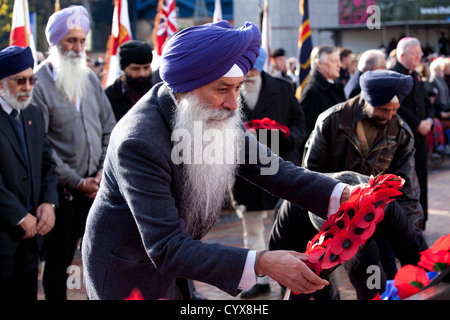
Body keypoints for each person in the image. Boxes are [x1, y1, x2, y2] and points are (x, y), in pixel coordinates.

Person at [81, 20, 357, 300]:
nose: (233, 104)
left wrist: (344, 194)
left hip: (178, 267)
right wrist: (263, 262)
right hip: (129, 273)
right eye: (223, 89)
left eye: (238, 89)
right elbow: (166, 247)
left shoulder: (209, 113)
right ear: (186, 89)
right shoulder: (139, 142)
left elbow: (274, 169)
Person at [301, 70, 424, 296]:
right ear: (366, 100)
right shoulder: (330, 121)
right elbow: (308, 177)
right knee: (320, 285)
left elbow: (407, 191)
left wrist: (410, 236)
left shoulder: (401, 133)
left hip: (372, 223)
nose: (389, 116)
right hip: (326, 223)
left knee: (374, 282)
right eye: (383, 110)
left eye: (395, 110)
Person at [31, 5, 116, 300]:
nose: (78, 47)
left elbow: (109, 127)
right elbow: (42, 146)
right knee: (59, 267)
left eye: (81, 40)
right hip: (61, 193)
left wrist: (103, 170)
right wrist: (77, 182)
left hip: (96, 188)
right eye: (70, 41)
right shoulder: (38, 84)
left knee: (97, 260)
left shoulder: (91, 79)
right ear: (55, 43)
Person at [269, 171, 428, 300]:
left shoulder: (383, 204)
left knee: (374, 288)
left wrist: (432, 276)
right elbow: (286, 271)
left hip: (364, 242)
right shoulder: (292, 216)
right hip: (306, 249)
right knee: (321, 294)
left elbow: (413, 250)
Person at [230, 47, 307, 298]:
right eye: (246, 69)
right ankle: (258, 280)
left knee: (284, 226)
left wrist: (289, 139)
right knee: (251, 229)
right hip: (245, 173)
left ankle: (292, 277)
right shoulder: (228, 88)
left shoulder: (283, 88)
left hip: (279, 169)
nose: (250, 74)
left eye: (254, 68)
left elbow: (299, 122)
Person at [0, 46, 59, 299]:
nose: (27, 87)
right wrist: (18, 215)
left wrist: (49, 202)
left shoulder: (32, 113)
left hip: (32, 236)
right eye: (20, 80)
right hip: (4, 233)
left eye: (31, 80)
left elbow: (48, 164)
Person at [390, 37, 434, 230]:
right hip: (403, 139)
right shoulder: (393, 75)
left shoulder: (415, 75)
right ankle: (407, 226)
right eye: (415, 54)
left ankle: (420, 221)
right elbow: (396, 107)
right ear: (402, 55)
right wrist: (417, 124)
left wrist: (429, 120)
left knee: (421, 179)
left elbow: (426, 102)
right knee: (406, 182)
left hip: (421, 138)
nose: (419, 58)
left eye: (420, 54)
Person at [299, 44, 346, 140]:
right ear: (319, 64)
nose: (339, 65)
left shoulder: (337, 85)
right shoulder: (312, 92)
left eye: (339, 61)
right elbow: (309, 130)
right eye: (334, 61)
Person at [105, 40, 154, 121]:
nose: (142, 74)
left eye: (146, 68)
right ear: (123, 69)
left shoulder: (156, 95)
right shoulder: (108, 97)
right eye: (136, 69)